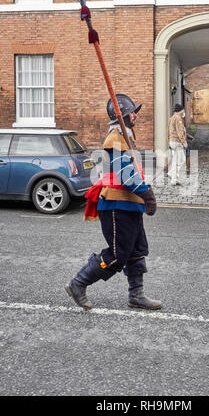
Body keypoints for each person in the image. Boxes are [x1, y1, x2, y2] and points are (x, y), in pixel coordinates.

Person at [65, 94, 162, 311]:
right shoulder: (114, 138)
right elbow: (126, 174)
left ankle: (136, 296)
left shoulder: (125, 136)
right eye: (132, 112)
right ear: (122, 115)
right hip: (117, 205)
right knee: (118, 255)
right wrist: (147, 194)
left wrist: (145, 194)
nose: (135, 115)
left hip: (130, 203)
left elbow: (133, 170)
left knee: (137, 250)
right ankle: (78, 283)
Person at [167, 104, 188, 185]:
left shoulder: (171, 118)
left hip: (172, 141)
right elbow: (180, 132)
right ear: (180, 110)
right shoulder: (178, 119)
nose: (184, 112)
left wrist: (168, 141)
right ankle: (172, 174)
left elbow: (168, 131)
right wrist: (184, 143)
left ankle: (174, 179)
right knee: (182, 160)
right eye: (183, 110)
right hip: (177, 142)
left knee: (175, 160)